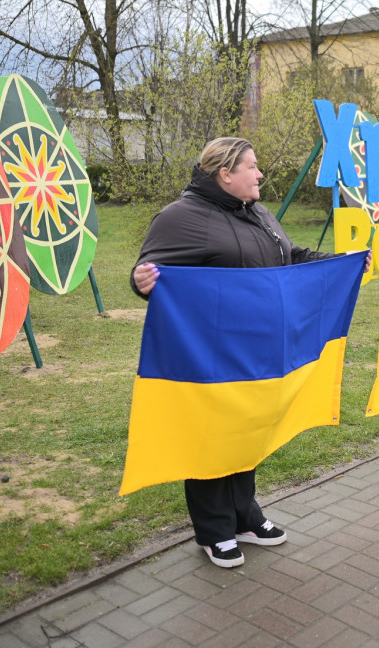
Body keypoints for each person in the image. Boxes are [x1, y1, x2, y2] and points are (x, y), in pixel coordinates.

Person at [131, 137, 336, 569]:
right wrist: (141, 280)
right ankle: (214, 529)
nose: (260, 174)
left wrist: (340, 261)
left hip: (256, 348)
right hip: (208, 351)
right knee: (210, 436)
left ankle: (245, 517)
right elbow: (150, 267)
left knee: (247, 430)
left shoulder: (257, 212)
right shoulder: (181, 217)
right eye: (253, 167)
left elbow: (289, 255)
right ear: (226, 174)